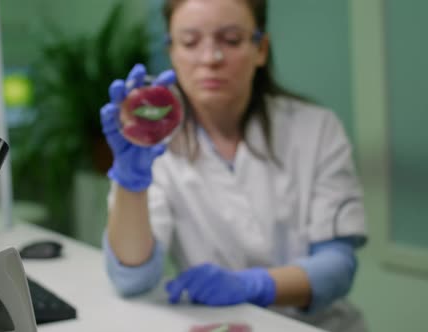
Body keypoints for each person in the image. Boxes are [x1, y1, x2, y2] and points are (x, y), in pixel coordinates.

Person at [99, 0, 368, 331]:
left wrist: (254, 285)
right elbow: (132, 280)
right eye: (190, 42)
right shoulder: (155, 144)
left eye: (231, 39)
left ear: (261, 49)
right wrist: (130, 180)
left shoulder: (316, 129)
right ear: (172, 51)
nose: (210, 58)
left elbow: (339, 267)